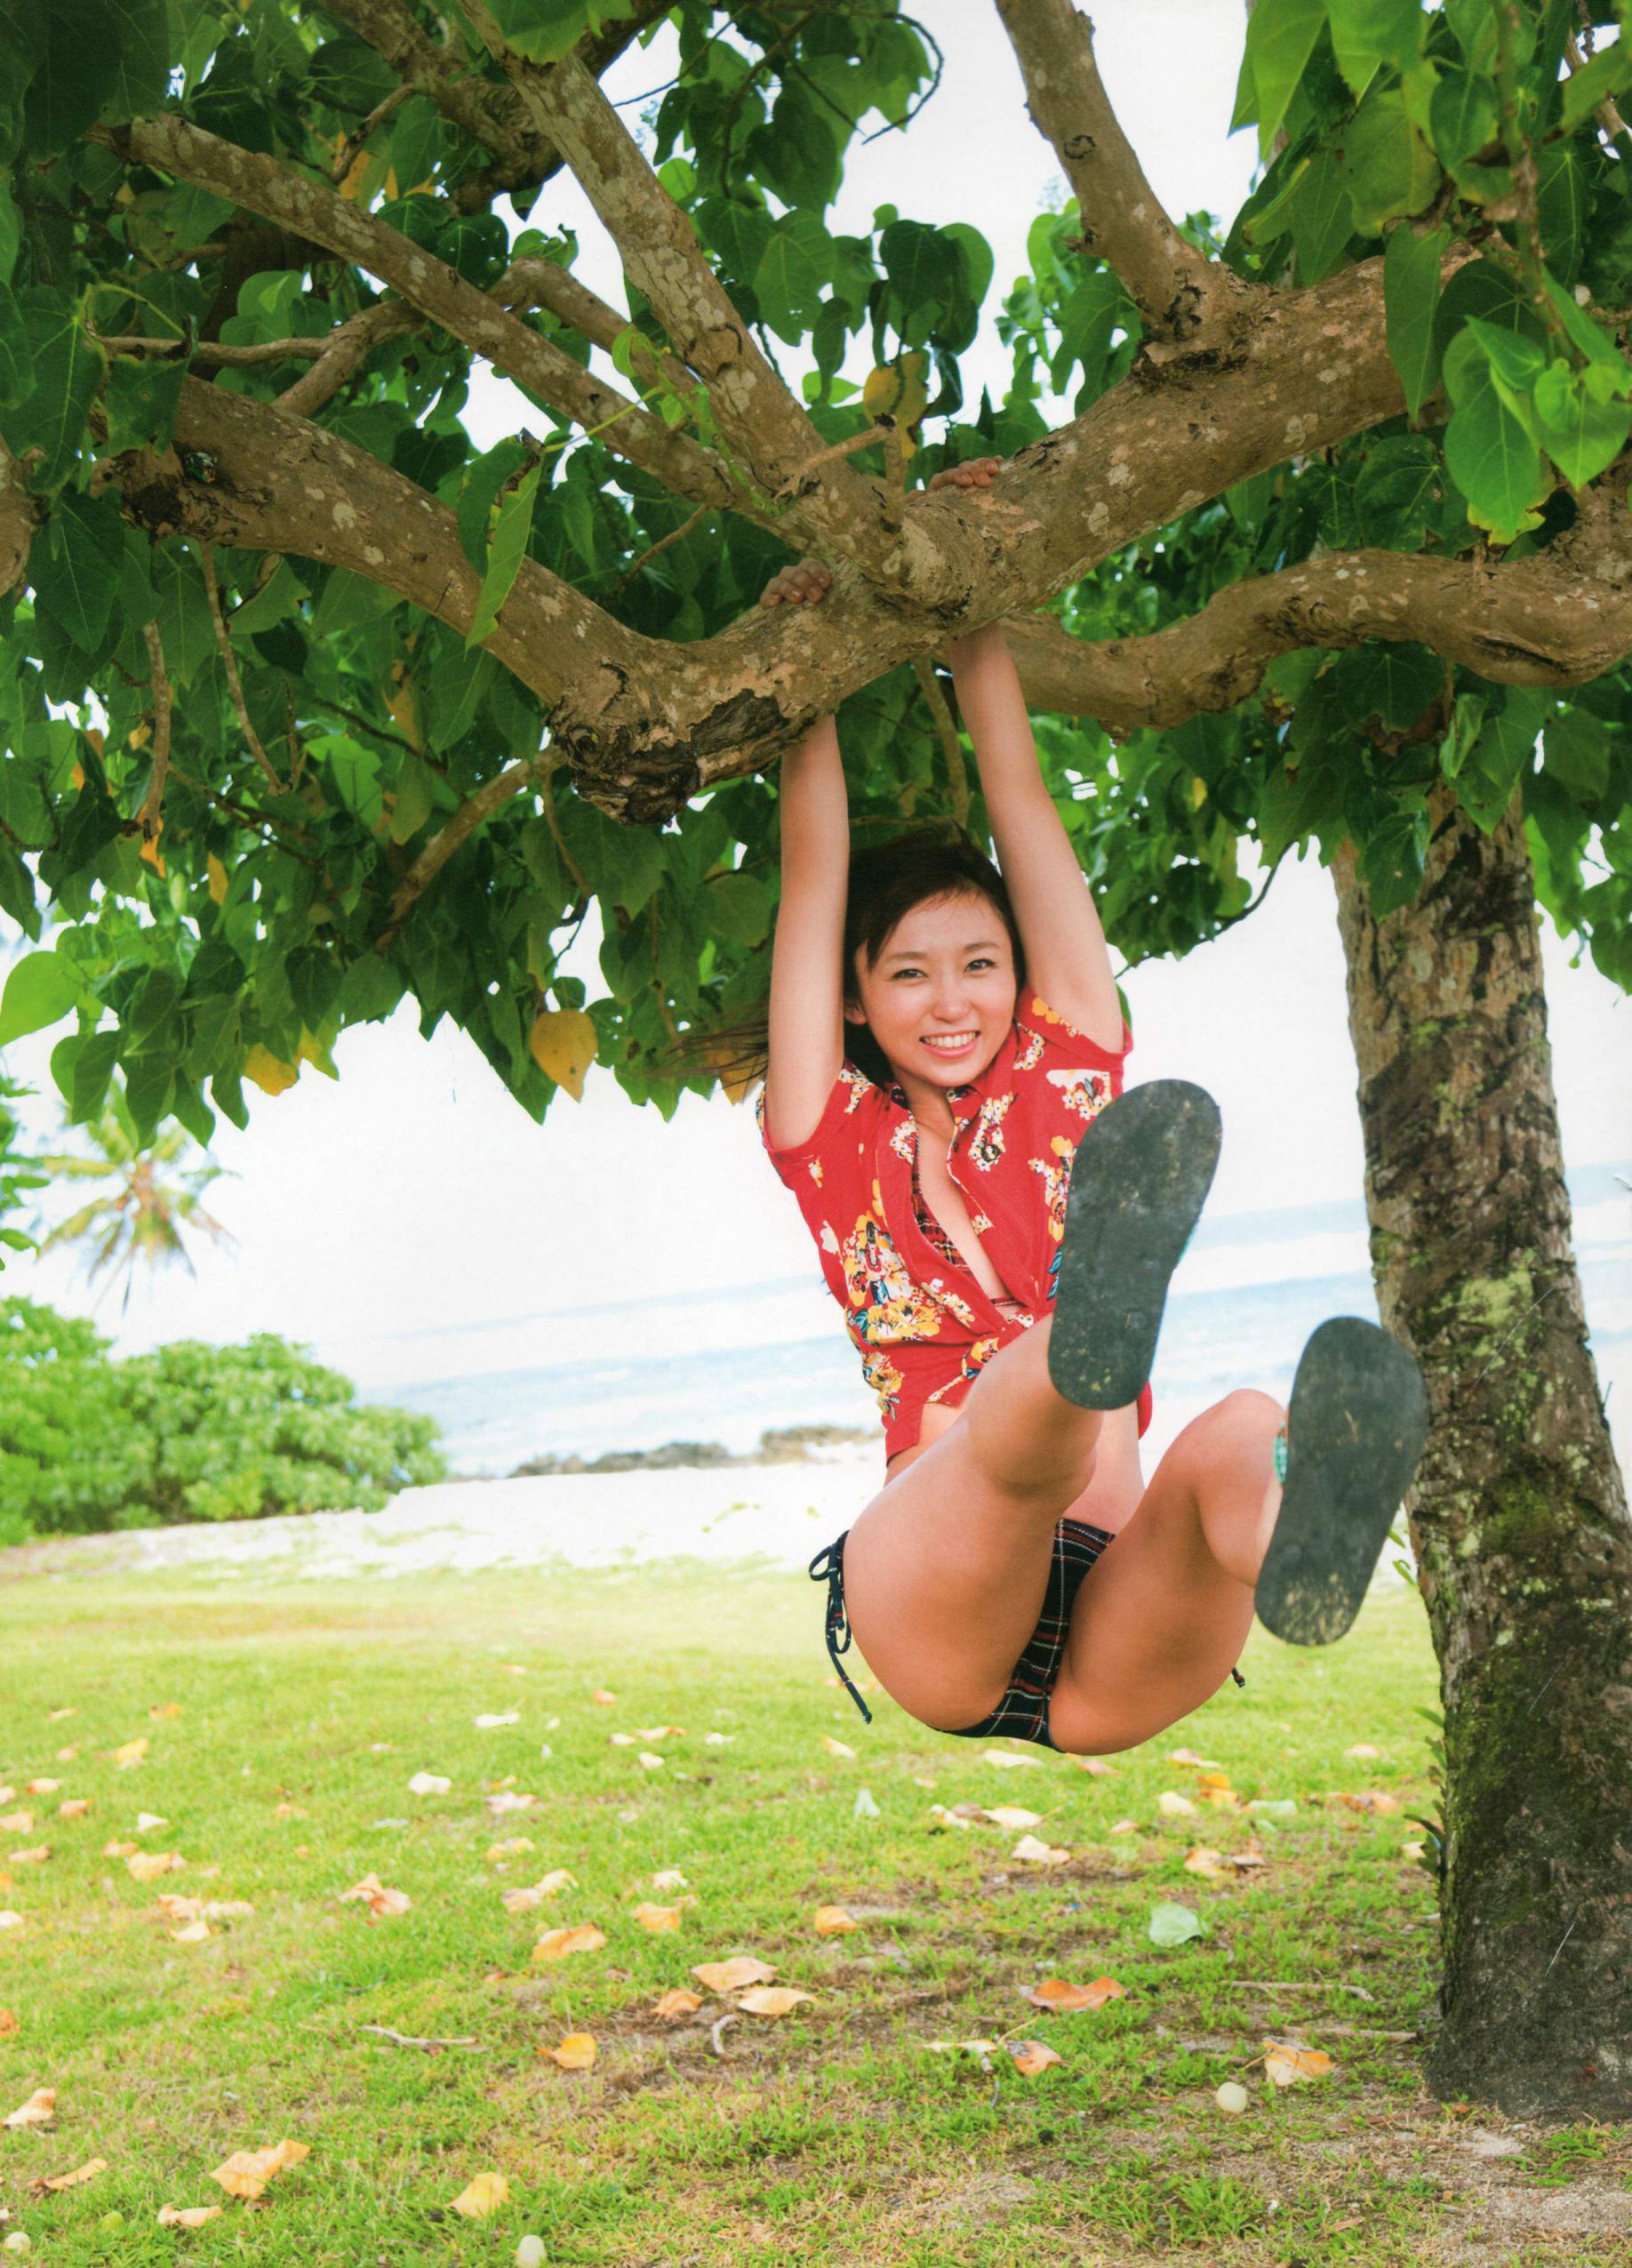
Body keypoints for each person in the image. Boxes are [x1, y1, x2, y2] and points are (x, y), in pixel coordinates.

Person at [756, 455, 1429, 1755]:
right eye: (908, 975)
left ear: (1021, 974)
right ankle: (1082, 1359)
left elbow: (1023, 797)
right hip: (943, 1609)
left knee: (1242, 1429)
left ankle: (1303, 1522)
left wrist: (969, 602)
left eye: (980, 965)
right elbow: (812, 874)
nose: (953, 1002)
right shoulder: (827, 1137)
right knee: (1033, 1416)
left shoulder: (1069, 1079)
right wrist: (804, 679)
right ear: (854, 1002)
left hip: (1120, 1636)